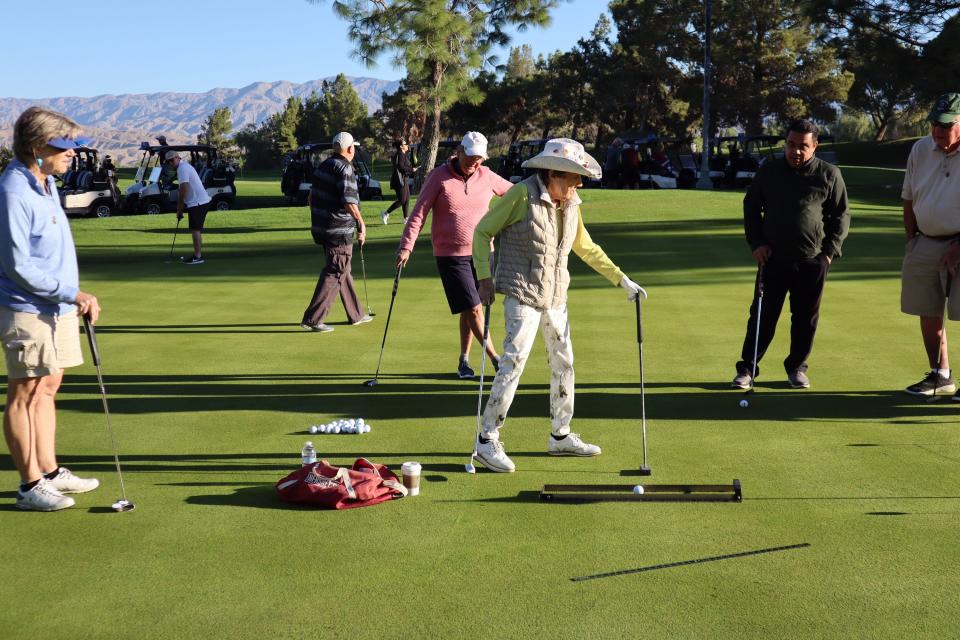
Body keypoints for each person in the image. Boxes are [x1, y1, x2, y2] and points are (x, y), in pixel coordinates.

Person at [471, 138, 646, 473]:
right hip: (522, 294)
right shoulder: (521, 195)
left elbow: (586, 247)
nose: (578, 183)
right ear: (553, 173)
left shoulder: (571, 203)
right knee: (513, 363)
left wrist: (621, 279)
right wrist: (483, 277)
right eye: (572, 177)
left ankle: (560, 435)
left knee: (564, 362)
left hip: (556, 297)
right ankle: (486, 439)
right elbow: (482, 232)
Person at [0, 107, 101, 511]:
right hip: (27, 308)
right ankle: (29, 485)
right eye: (64, 145)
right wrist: (72, 293)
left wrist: (67, 295)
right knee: (24, 392)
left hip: (56, 305)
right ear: (36, 146)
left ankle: (51, 471)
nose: (72, 152)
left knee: (48, 387)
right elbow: (17, 264)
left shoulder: (44, 184)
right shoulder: (13, 191)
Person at [731, 119, 850, 390]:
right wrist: (756, 243)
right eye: (791, 145)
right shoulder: (769, 171)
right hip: (772, 259)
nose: (796, 151)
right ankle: (748, 369)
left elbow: (841, 215)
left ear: (815, 146)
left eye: (803, 146)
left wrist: (829, 253)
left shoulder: (829, 174)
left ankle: (796, 367)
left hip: (812, 259)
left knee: (805, 318)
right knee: (762, 315)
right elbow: (751, 207)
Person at [396, 132, 512, 378]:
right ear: (459, 151)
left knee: (472, 307)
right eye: (470, 156)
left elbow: (514, 195)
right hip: (451, 256)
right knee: (472, 309)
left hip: (483, 254)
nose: (474, 162)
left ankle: (464, 360)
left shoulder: (487, 175)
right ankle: (497, 359)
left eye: (479, 158)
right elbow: (419, 213)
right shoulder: (439, 177)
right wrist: (407, 246)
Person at [900, 93, 960, 398]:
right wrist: (912, 239)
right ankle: (941, 374)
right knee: (928, 310)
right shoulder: (921, 148)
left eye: (946, 125)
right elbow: (908, 197)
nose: (938, 131)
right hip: (925, 241)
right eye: (935, 124)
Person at [300, 131, 372, 333]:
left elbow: (311, 198)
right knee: (335, 271)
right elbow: (349, 201)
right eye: (354, 148)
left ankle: (355, 314)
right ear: (350, 149)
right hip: (338, 230)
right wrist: (361, 223)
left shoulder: (324, 165)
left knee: (343, 268)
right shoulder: (345, 168)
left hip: (322, 229)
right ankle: (313, 319)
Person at [165, 150, 212, 265]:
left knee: (195, 229)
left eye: (172, 160)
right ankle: (197, 255)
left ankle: (198, 257)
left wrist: (179, 208)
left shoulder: (182, 168)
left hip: (197, 202)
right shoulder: (184, 167)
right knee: (196, 229)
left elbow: (184, 188)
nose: (171, 163)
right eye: (168, 161)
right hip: (199, 201)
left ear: (177, 157)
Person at [380, 139, 416, 224]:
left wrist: (412, 168)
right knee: (402, 200)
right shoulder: (400, 154)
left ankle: (406, 218)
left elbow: (405, 166)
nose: (407, 145)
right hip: (399, 180)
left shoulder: (403, 154)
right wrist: (411, 170)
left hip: (403, 179)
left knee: (407, 199)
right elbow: (400, 167)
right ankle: (385, 213)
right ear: (401, 146)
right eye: (405, 144)